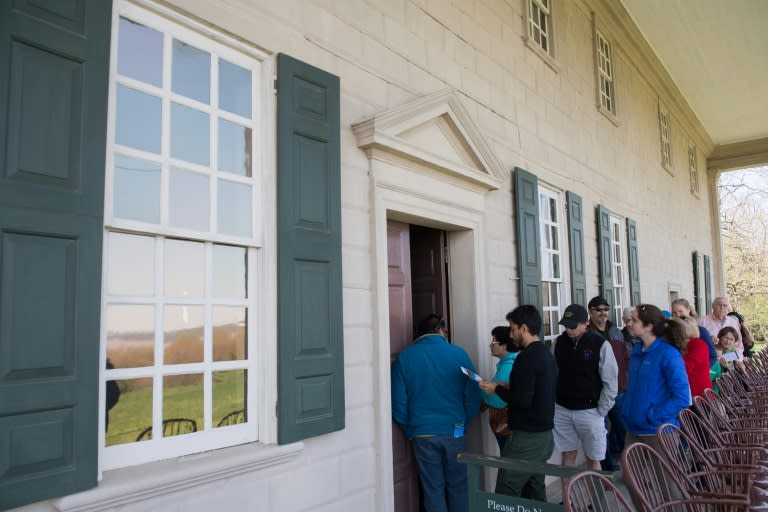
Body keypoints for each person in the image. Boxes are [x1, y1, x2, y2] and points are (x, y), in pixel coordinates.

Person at [391, 313, 481, 512]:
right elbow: (474, 394)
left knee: (433, 489)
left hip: (422, 432)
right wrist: (462, 422)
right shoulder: (459, 354)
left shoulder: (404, 357)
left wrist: (410, 427)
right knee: (458, 487)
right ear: (440, 330)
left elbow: (397, 402)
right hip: (454, 430)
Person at [478, 305, 556, 502]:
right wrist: (507, 386)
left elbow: (521, 400)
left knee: (506, 493)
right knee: (534, 490)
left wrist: (497, 389)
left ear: (523, 328)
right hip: (544, 435)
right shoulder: (545, 353)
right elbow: (535, 390)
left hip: (526, 438)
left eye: (512, 329)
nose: (511, 335)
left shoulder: (526, 357)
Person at [554, 303, 617, 494]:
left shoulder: (600, 344)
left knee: (593, 458)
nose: (569, 330)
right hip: (562, 409)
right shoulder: (559, 342)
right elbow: (554, 373)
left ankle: (596, 501)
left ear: (585, 324)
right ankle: (568, 501)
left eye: (573, 326)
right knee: (568, 455)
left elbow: (610, 379)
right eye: (566, 325)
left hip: (590, 411)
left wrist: (601, 410)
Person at [621, 304, 690, 453]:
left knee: (663, 477)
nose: (629, 324)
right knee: (631, 477)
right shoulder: (637, 350)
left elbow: (682, 397)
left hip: (659, 432)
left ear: (649, 326)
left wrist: (652, 416)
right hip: (633, 429)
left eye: (634, 320)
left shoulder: (668, 354)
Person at [585, 296, 627, 472]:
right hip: (597, 393)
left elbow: (625, 357)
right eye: (598, 309)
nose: (603, 313)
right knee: (602, 434)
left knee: (624, 430)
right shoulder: (586, 333)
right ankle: (608, 470)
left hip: (619, 390)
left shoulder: (615, 330)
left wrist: (626, 380)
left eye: (605, 309)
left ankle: (631, 466)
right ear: (590, 312)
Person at [481, 326, 518, 451]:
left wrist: (483, 393)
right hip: (511, 427)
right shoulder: (515, 360)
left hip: (506, 427)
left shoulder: (507, 367)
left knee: (509, 463)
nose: (490, 345)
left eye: (494, 341)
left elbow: (497, 400)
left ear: (505, 345)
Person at [666, 316, 712, 399]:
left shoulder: (698, 344)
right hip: (685, 390)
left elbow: (686, 367)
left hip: (698, 394)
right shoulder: (679, 344)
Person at [671, 298, 717, 366]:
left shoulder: (701, 330)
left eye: (680, 311)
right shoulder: (670, 331)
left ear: (688, 310)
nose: (678, 315)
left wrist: (701, 369)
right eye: (674, 313)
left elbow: (712, 356)